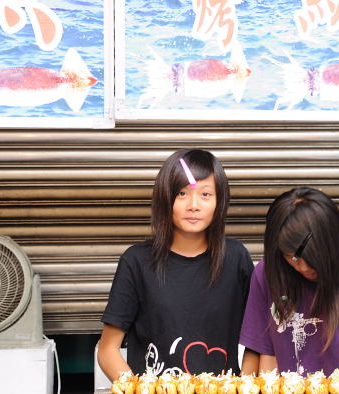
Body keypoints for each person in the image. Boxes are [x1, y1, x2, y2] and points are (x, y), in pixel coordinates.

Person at [97, 149, 254, 381]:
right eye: (182, 193)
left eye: (206, 194)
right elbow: (108, 350)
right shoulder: (136, 261)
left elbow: (258, 342)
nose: (194, 205)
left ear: (220, 201)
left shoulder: (236, 258)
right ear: (165, 197)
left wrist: (245, 385)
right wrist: (138, 389)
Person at [239, 187, 339, 376]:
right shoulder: (269, 271)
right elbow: (264, 353)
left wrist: (314, 388)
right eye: (290, 257)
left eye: (312, 257)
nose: (303, 267)